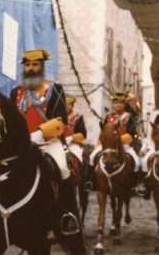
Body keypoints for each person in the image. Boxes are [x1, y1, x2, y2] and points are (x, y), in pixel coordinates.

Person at [9, 48, 80, 235]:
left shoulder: (54, 89)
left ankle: (68, 214)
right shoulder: (16, 92)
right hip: (22, 143)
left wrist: (40, 132)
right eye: (28, 65)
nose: (31, 68)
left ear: (42, 67)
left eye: (35, 65)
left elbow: (62, 120)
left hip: (48, 142)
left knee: (63, 169)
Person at [88, 92, 140, 191]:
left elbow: (131, 134)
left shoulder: (129, 117)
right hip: (107, 145)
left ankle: (133, 186)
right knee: (91, 156)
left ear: (124, 104)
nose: (118, 104)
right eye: (116, 102)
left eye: (121, 102)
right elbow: (103, 132)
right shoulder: (108, 117)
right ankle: (91, 181)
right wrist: (99, 144)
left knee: (137, 162)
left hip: (124, 146)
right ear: (113, 104)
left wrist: (117, 140)